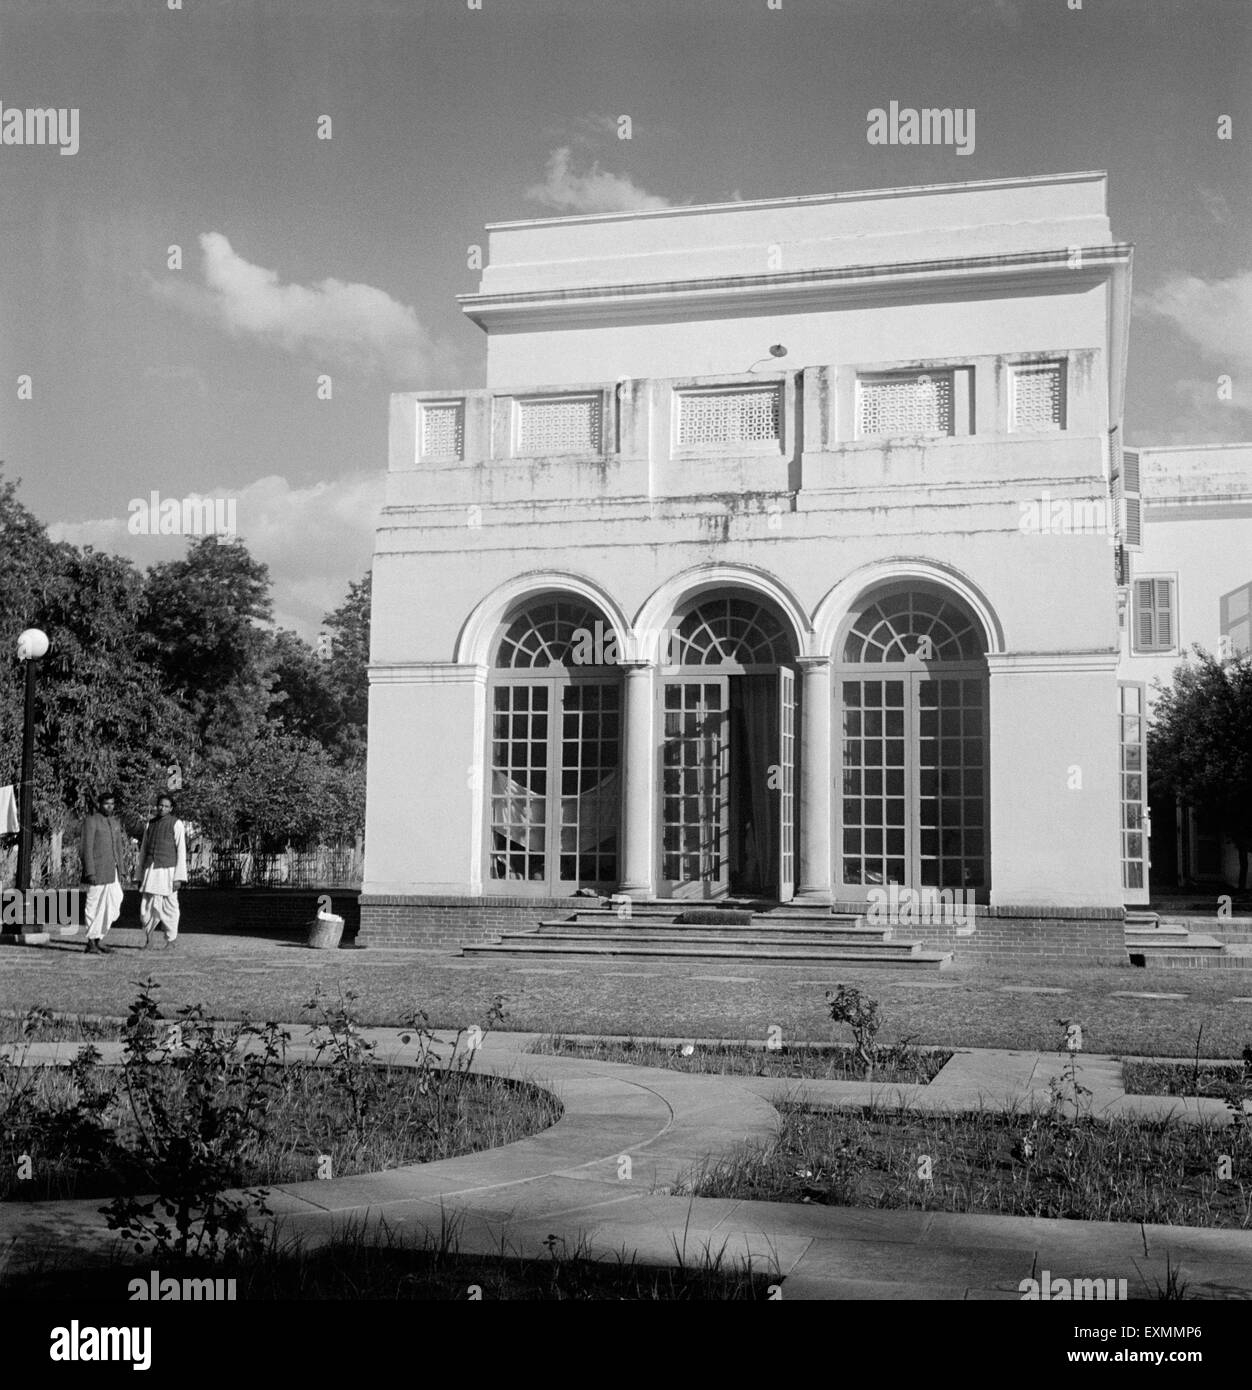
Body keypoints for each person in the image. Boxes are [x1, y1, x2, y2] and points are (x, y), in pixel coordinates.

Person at [80, 790, 129, 956]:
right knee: (93, 905)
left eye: (112, 804)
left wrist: (122, 869)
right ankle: (91, 943)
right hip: (97, 871)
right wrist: (90, 872)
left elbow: (119, 848)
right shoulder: (91, 821)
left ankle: (98, 938)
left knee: (115, 901)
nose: (110, 807)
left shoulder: (114, 822)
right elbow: (86, 848)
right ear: (100, 805)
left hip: (112, 871)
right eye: (107, 804)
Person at [137, 793, 187, 948]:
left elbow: (181, 851)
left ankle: (171, 940)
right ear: (156, 806)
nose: (162, 808)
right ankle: (149, 939)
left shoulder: (176, 824)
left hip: (168, 871)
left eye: (166, 806)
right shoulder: (149, 824)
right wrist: (139, 874)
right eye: (160, 805)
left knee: (170, 905)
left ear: (171, 808)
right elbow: (143, 849)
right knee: (148, 905)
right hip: (151, 870)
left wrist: (178, 877)